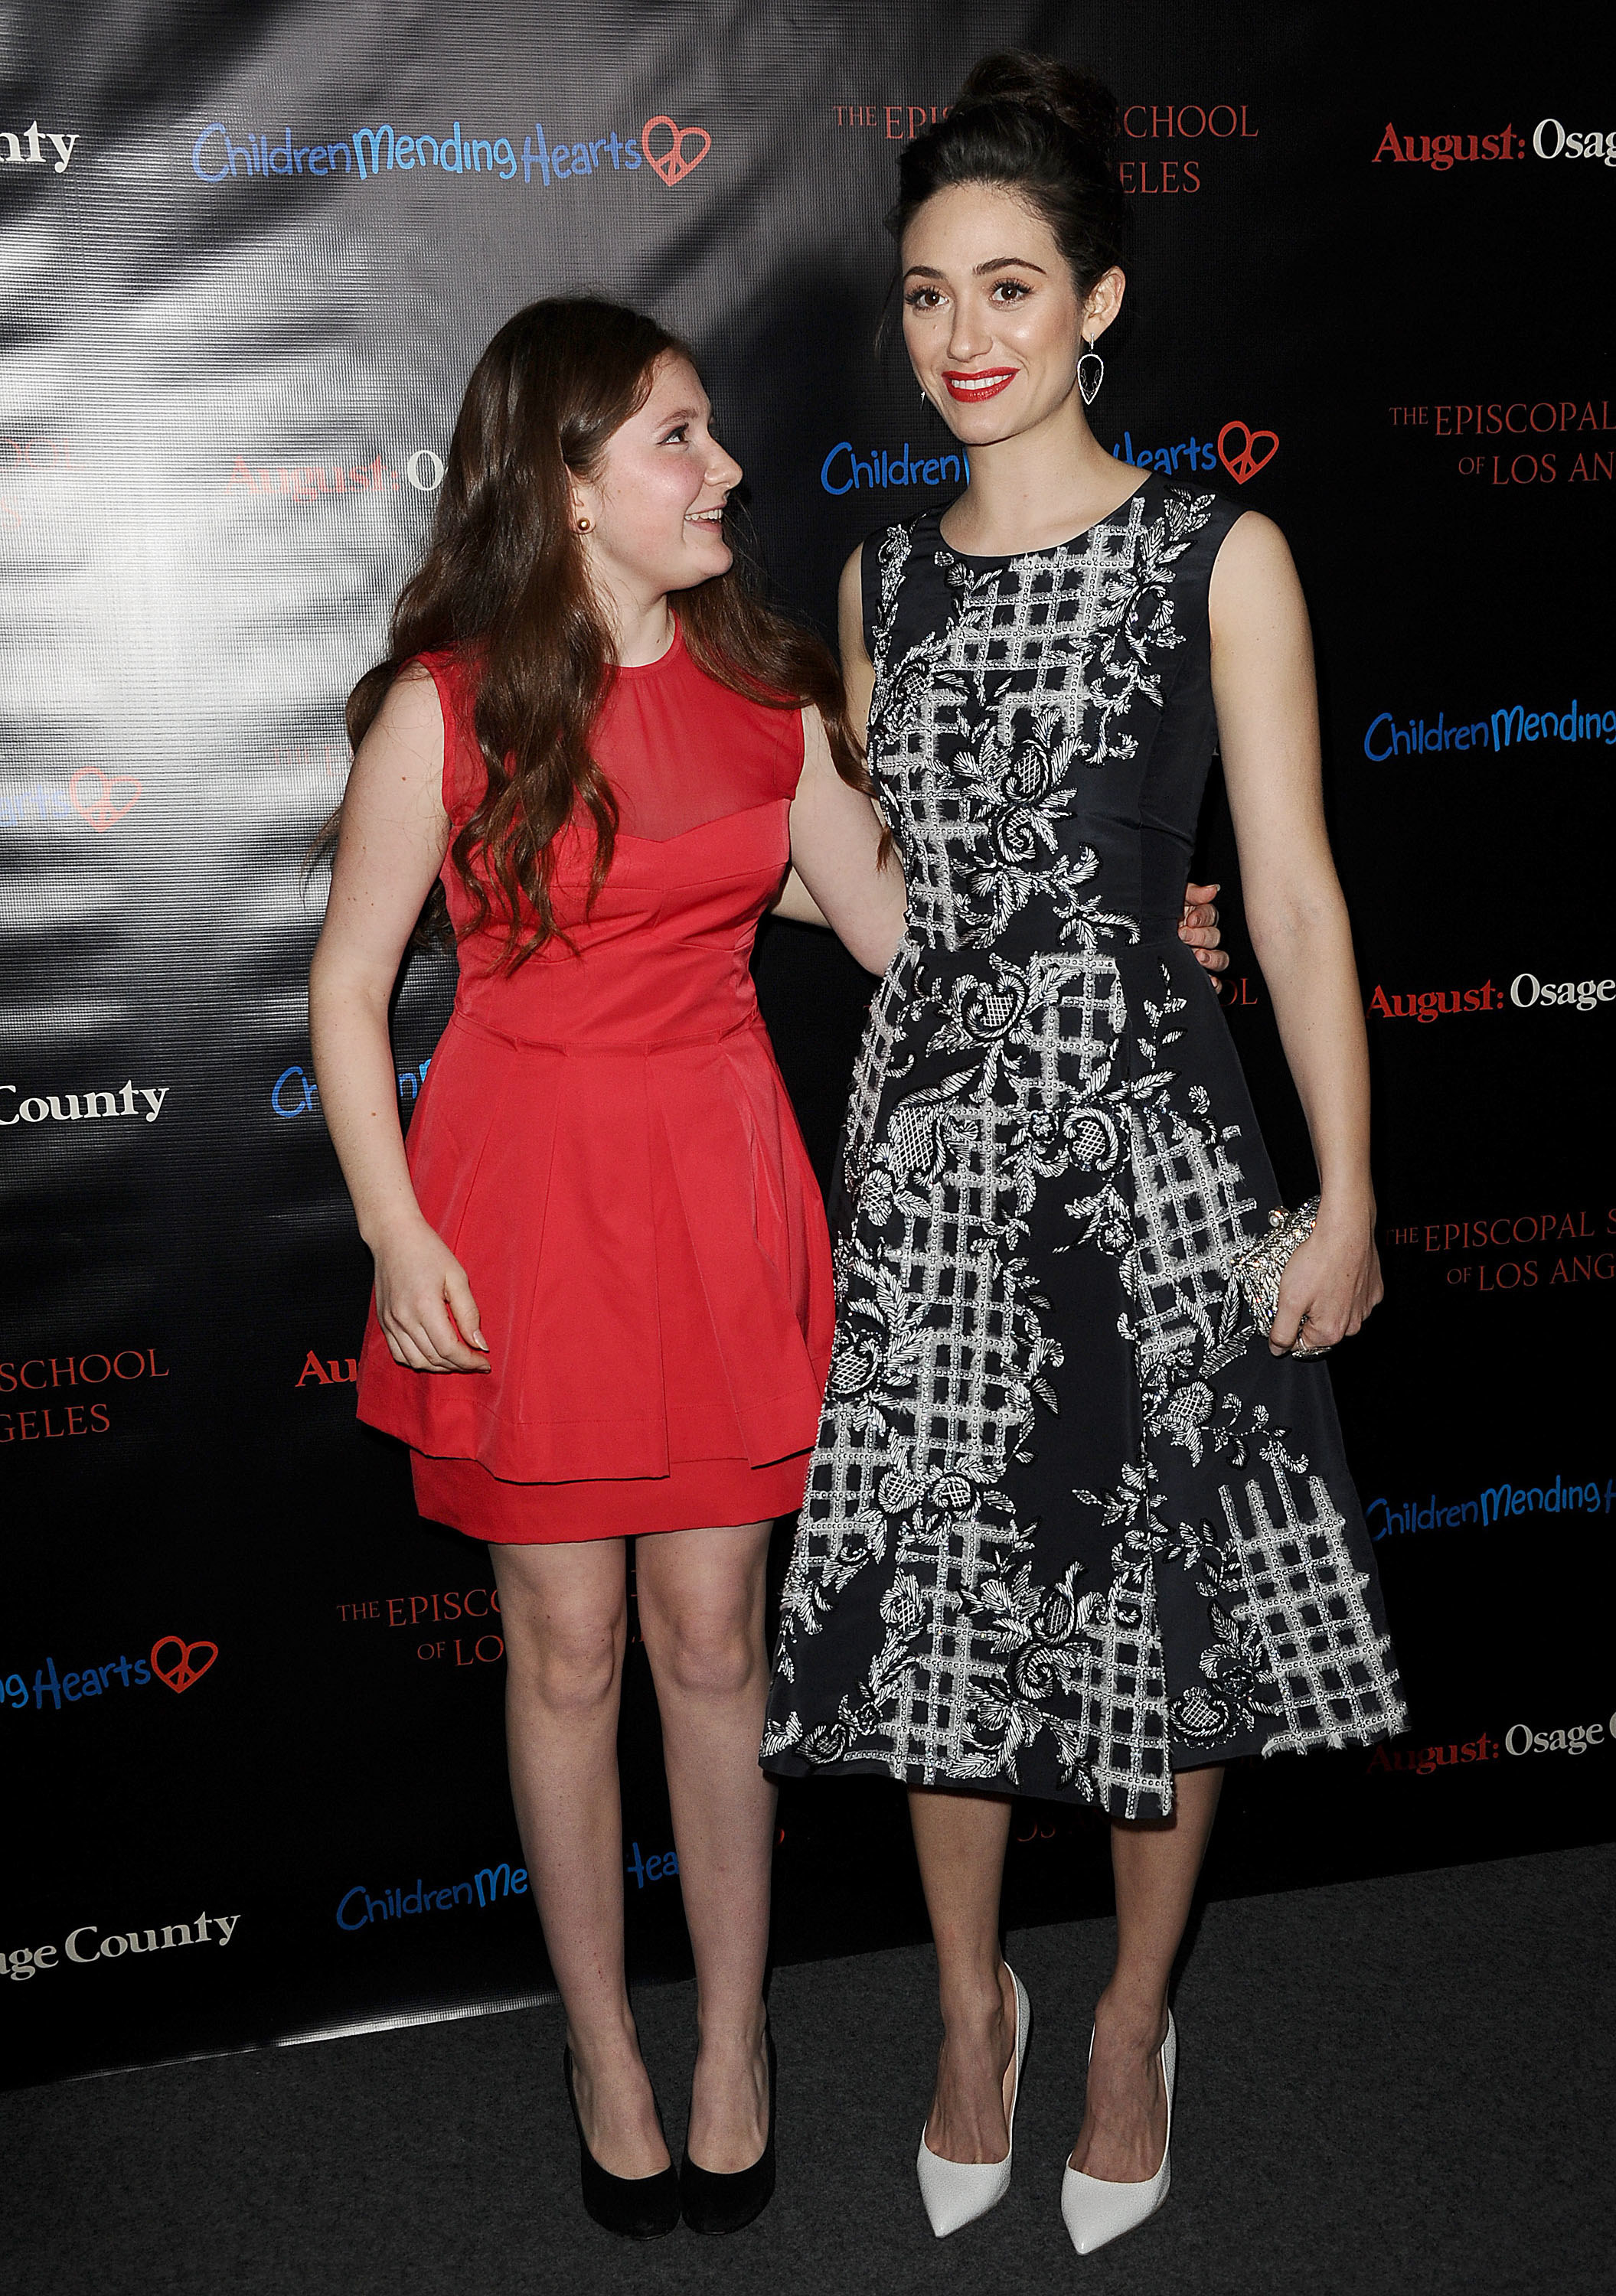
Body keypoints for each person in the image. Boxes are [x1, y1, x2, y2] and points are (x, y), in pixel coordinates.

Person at [309, 294, 1224, 2241]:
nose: (724, 468)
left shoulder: (769, 695)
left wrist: (1136, 938)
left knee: (714, 1652)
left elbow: (913, 929)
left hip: (721, 1208)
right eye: (675, 439)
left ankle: (735, 2041)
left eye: (711, 433)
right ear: (564, 488)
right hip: (522, 1218)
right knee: (561, 1660)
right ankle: (604, 2050)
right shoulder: (447, 705)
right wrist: (395, 1226)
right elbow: (342, 984)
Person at [762, 51, 1406, 2257]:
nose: (967, 337)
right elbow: (876, 889)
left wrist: (1351, 1186)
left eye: (1013, 288)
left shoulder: (1223, 547)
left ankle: (1131, 2016)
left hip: (1158, 1156)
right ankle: (971, 2014)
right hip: (935, 1160)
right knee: (944, 1603)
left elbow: (1297, 893)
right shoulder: (876, 584)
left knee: (1179, 1610)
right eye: (933, 294)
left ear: (1100, 301)